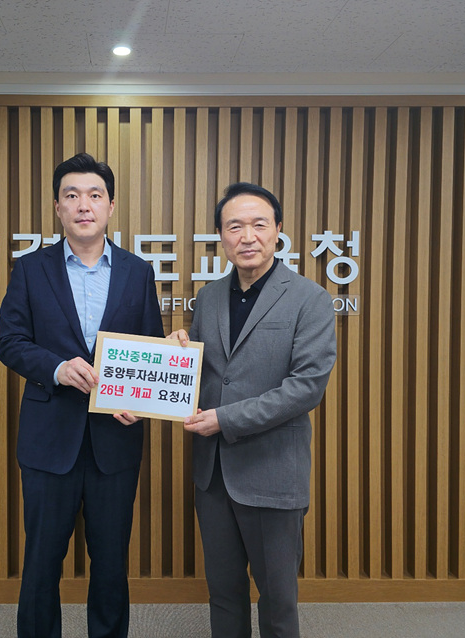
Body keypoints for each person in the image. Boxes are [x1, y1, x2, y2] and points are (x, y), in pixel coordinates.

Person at [0, 152, 164, 638]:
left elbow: (150, 349)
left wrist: (144, 402)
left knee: (110, 564)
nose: (83, 205)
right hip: (49, 441)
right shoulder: (31, 269)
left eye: (94, 195)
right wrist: (57, 368)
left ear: (111, 205)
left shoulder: (137, 271)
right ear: (58, 207)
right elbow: (9, 341)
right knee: (42, 561)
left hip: (116, 441)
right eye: (72, 195)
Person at [170, 182, 336, 638]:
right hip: (213, 477)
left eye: (259, 224)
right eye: (234, 226)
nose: (247, 236)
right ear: (220, 236)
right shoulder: (208, 297)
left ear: (278, 230)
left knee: (278, 601)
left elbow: (306, 387)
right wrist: (173, 354)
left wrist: (225, 419)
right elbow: (204, 375)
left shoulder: (310, 298)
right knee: (223, 595)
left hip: (272, 472)